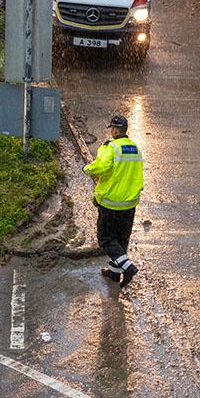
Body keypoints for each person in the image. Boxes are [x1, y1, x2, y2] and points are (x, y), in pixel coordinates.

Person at [83, 114, 145, 287]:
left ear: (115, 130)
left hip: (111, 201)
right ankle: (114, 273)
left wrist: (86, 168)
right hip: (130, 202)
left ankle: (128, 268)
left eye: (112, 128)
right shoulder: (135, 148)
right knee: (121, 239)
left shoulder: (111, 147)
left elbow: (100, 166)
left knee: (106, 239)